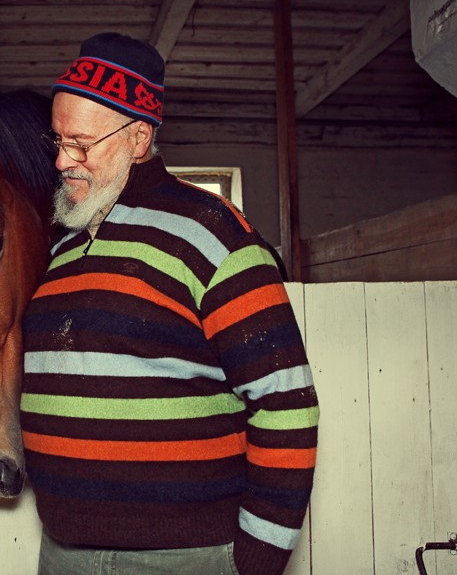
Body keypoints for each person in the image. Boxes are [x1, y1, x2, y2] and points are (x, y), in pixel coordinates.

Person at [21, 32, 319, 575]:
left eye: (82, 144)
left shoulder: (214, 233)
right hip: (62, 552)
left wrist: (259, 558)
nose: (63, 160)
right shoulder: (60, 244)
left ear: (139, 138)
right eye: (58, 140)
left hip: (186, 557)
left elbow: (286, 403)